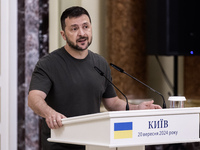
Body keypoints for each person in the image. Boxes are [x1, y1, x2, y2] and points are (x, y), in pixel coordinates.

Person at [28, 6, 162, 150]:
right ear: (63, 34)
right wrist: (50, 114)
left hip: (93, 143)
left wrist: (136, 108)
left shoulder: (100, 63)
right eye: (74, 29)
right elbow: (34, 98)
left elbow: (112, 103)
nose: (82, 33)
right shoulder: (48, 64)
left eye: (85, 27)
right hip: (60, 143)